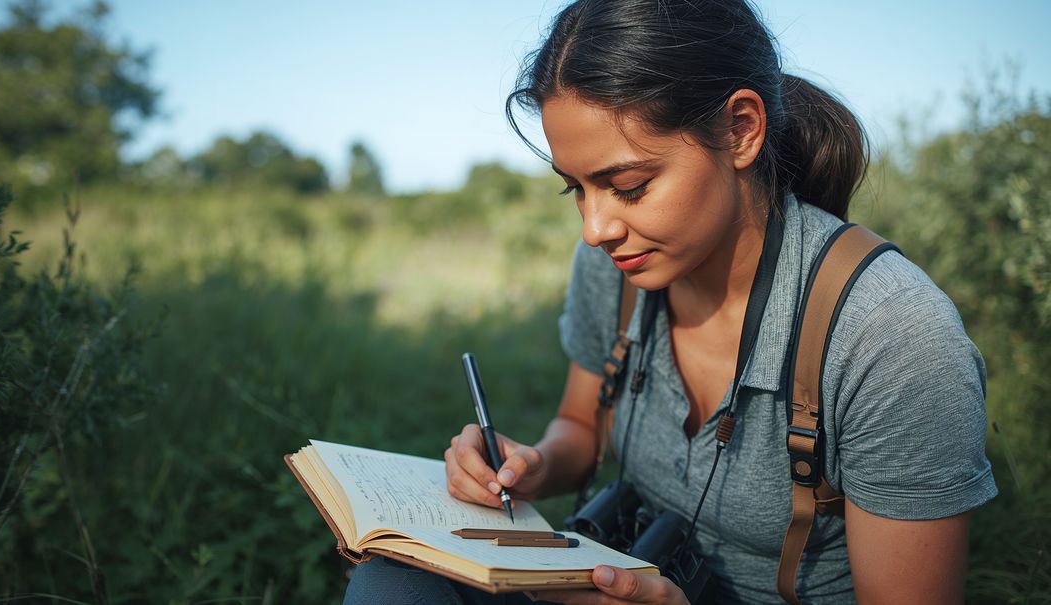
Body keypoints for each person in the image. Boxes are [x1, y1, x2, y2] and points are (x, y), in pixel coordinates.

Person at [345, 0, 997, 603]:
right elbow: (581, 425)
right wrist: (533, 465)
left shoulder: (894, 340)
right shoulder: (619, 267)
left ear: (741, 130)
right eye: (574, 187)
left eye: (626, 185)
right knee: (390, 581)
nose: (594, 229)